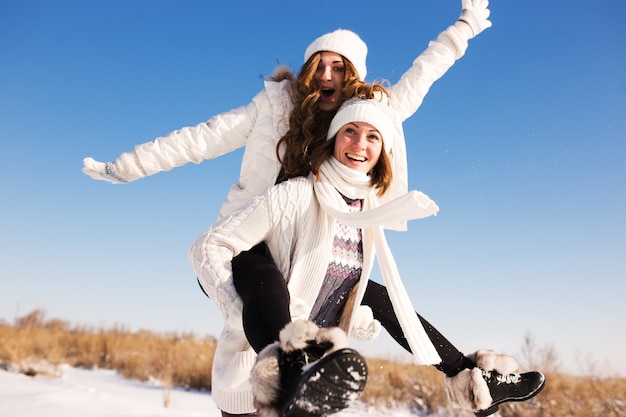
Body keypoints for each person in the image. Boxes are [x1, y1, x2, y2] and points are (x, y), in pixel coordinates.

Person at [189, 93, 546, 417]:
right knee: (269, 275)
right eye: (351, 131)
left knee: (377, 295)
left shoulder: (367, 215)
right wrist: (239, 311)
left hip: (313, 382)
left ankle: (472, 380)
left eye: (373, 136)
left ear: (382, 151)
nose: (360, 143)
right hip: (255, 377)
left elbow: (335, 291)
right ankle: (289, 365)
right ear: (333, 138)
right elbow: (208, 246)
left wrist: (351, 316)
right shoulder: (294, 195)